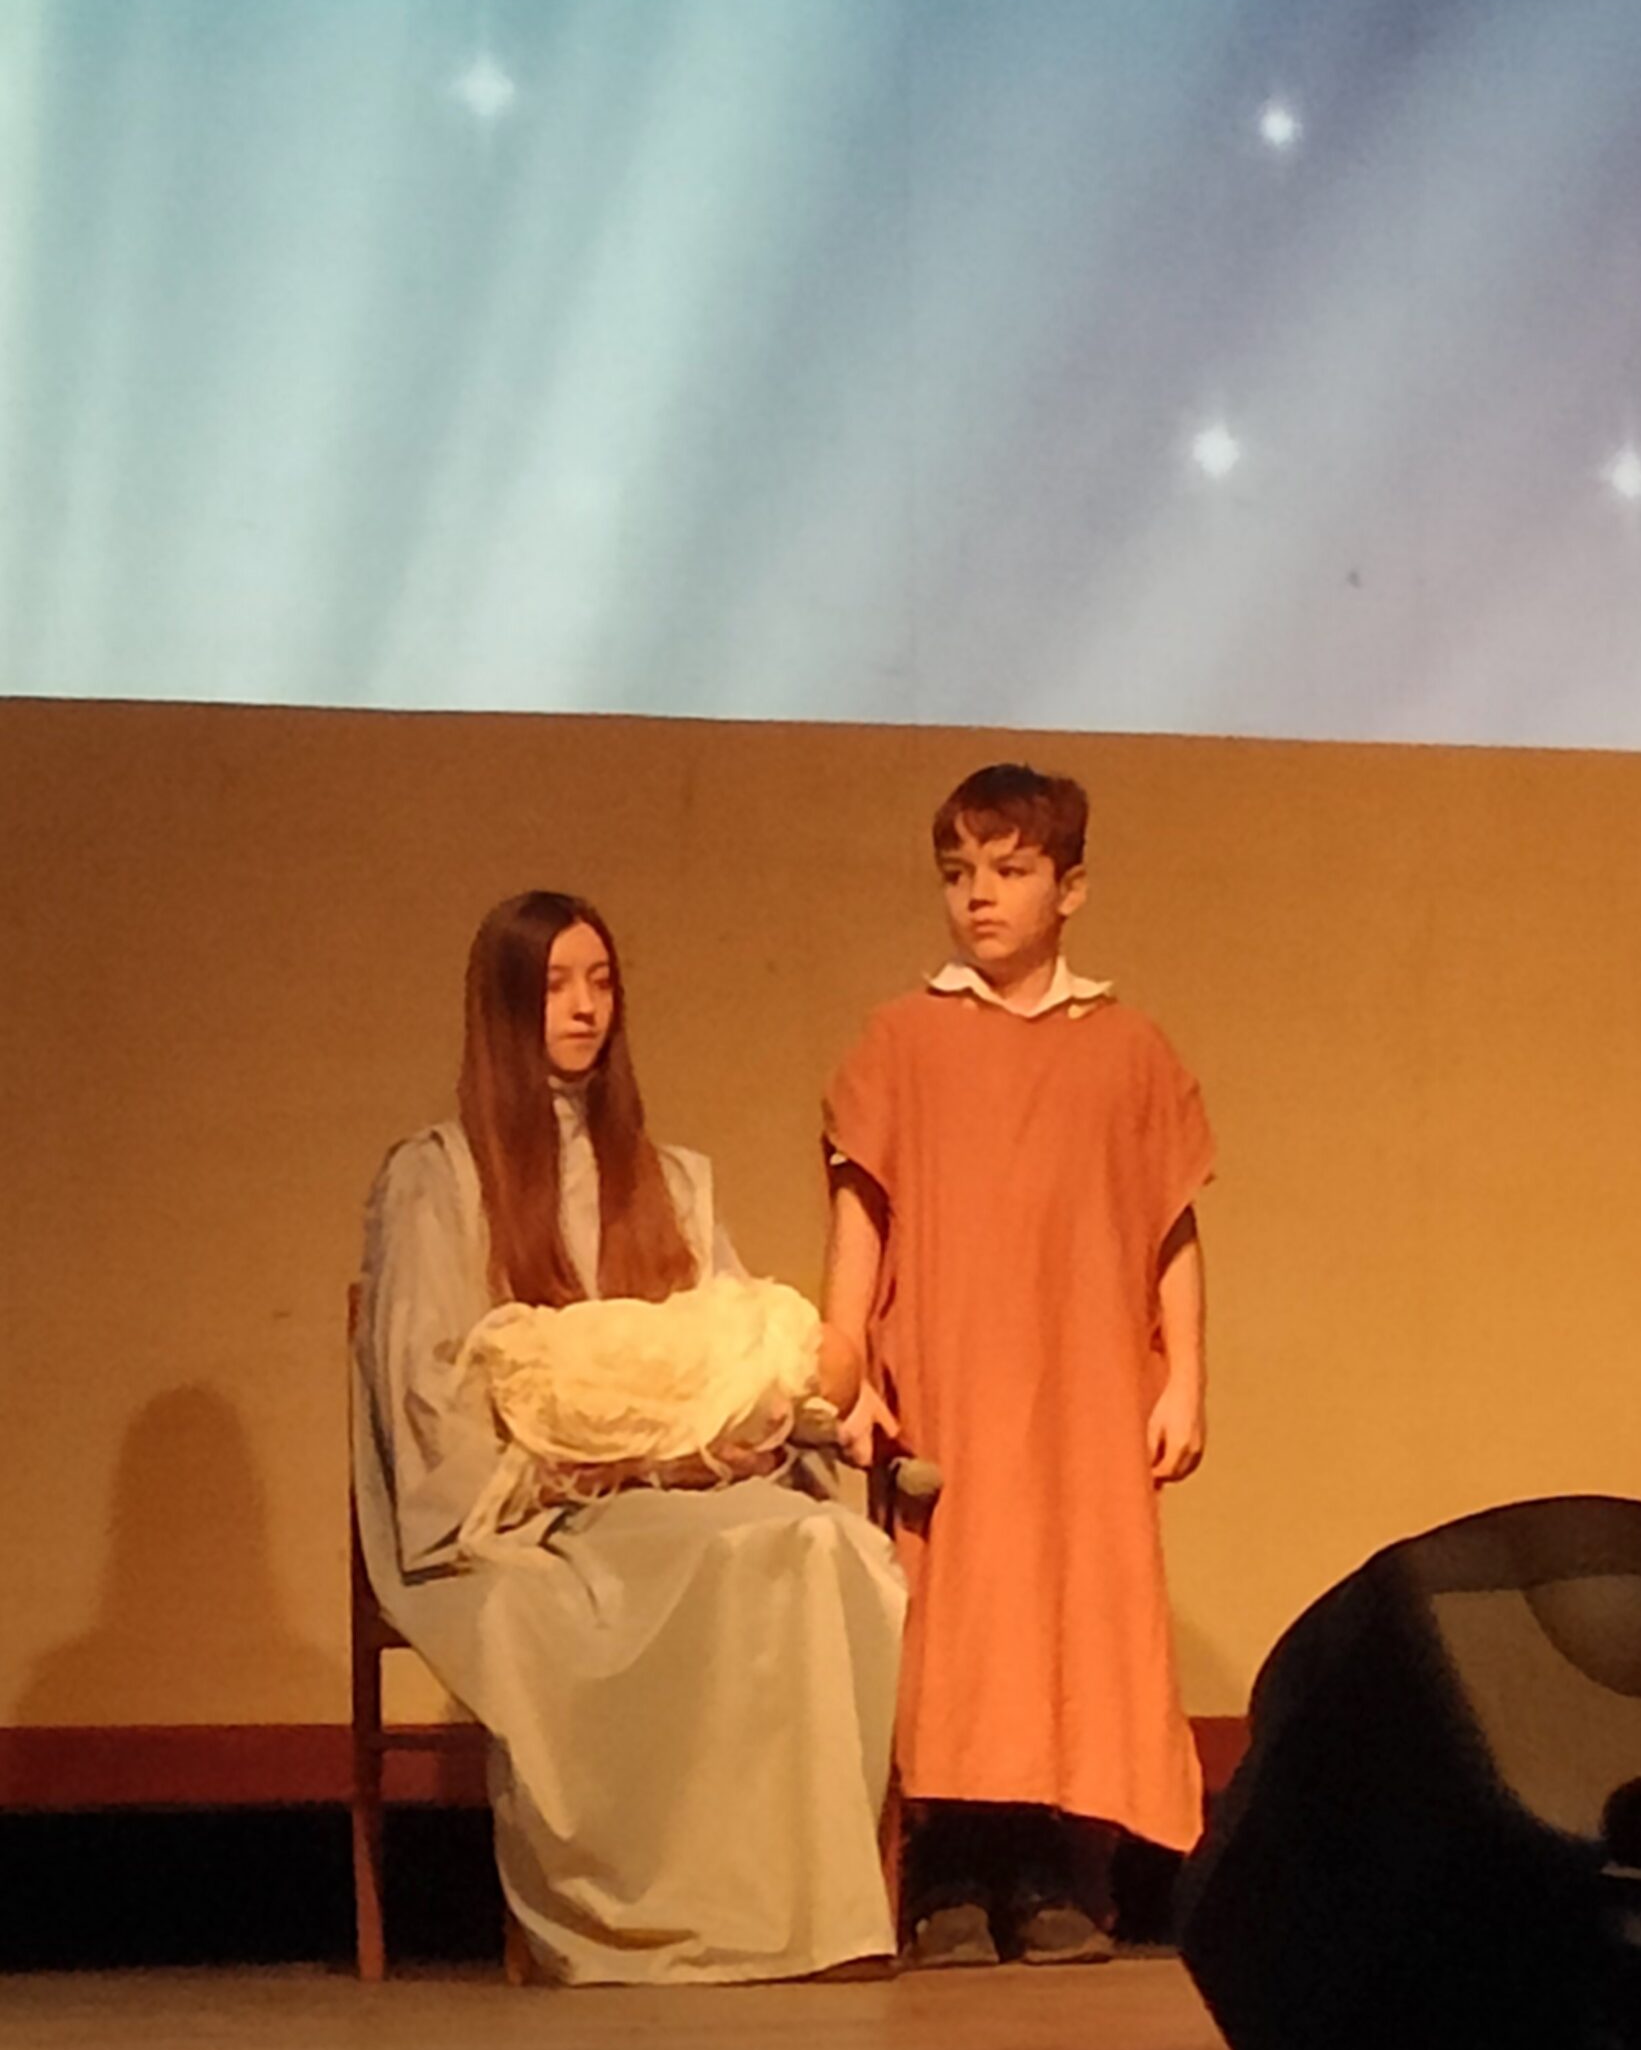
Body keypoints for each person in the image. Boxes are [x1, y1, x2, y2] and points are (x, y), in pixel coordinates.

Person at [355, 890, 905, 1984]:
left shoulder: (671, 1179)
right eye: (556, 985)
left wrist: (787, 1413)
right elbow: (430, 1384)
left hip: (682, 1489)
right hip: (544, 1501)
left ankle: (808, 1906)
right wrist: (591, 1459)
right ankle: (669, 1911)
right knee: (683, 1569)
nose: (584, 1008)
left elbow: (729, 1342)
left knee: (825, 1545)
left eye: (600, 982)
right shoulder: (440, 1178)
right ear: (506, 1005)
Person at [822, 766, 1212, 1968]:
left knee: (1070, 1607)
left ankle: (1049, 1864)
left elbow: (1169, 1224)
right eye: (958, 874)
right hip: (950, 1380)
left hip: (1081, 1383)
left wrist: (1184, 1378)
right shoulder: (904, 1037)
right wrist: (845, 1368)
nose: (978, 896)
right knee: (957, 1613)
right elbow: (861, 1213)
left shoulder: (1126, 1048)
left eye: (1009, 870)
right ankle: (948, 1864)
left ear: (1069, 887)